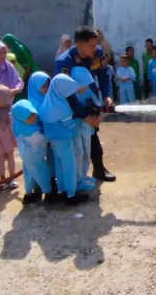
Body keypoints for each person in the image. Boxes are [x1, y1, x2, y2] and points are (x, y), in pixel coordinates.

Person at [54, 26, 116, 182]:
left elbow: (104, 75)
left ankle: (99, 169)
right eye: (92, 45)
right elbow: (65, 94)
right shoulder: (64, 62)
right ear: (79, 45)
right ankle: (69, 179)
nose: (96, 48)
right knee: (74, 143)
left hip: (90, 98)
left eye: (97, 44)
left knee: (93, 134)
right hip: (69, 105)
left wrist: (107, 96)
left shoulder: (99, 55)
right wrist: (83, 115)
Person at [38, 74, 95, 205]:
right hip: (64, 140)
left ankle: (61, 190)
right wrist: (78, 123)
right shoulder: (61, 106)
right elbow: (70, 124)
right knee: (69, 166)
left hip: (53, 140)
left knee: (59, 165)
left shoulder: (47, 103)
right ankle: (71, 195)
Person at [23, 71, 57, 203]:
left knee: (50, 160)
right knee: (33, 164)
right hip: (35, 140)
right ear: (34, 87)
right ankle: (33, 189)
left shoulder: (48, 99)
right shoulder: (29, 104)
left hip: (48, 137)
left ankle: (50, 182)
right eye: (43, 87)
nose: (46, 89)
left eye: (47, 86)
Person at [12, 98, 54, 204]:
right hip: (34, 157)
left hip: (26, 157)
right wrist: (49, 138)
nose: (33, 117)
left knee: (29, 174)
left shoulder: (19, 125)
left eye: (33, 113)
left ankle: (29, 193)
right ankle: (48, 192)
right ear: (21, 118)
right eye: (28, 117)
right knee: (41, 172)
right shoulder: (29, 131)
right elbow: (41, 140)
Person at [69, 66, 102, 184]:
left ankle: (84, 175)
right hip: (75, 127)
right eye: (83, 84)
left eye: (87, 84)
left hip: (87, 128)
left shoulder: (88, 90)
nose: (85, 87)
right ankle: (78, 177)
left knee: (87, 151)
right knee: (78, 152)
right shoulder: (70, 94)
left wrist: (98, 116)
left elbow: (97, 105)